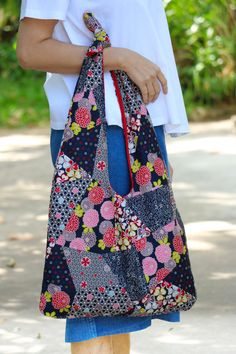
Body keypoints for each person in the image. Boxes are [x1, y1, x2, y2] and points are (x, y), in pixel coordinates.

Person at [16, 1, 190, 353]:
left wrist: (153, 144)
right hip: (99, 129)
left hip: (137, 126)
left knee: (119, 299)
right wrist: (118, 57)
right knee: (96, 295)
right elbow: (31, 49)